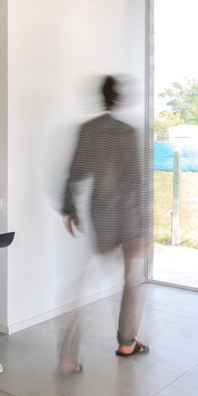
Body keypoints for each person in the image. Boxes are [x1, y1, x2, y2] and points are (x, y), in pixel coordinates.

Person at [58, 74, 150, 374]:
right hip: (130, 218)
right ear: (119, 97)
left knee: (80, 285)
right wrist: (145, 227)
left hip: (101, 216)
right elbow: (137, 182)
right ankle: (126, 342)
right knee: (131, 283)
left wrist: (70, 209)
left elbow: (76, 172)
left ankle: (67, 358)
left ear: (101, 97)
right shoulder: (128, 133)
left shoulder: (88, 130)